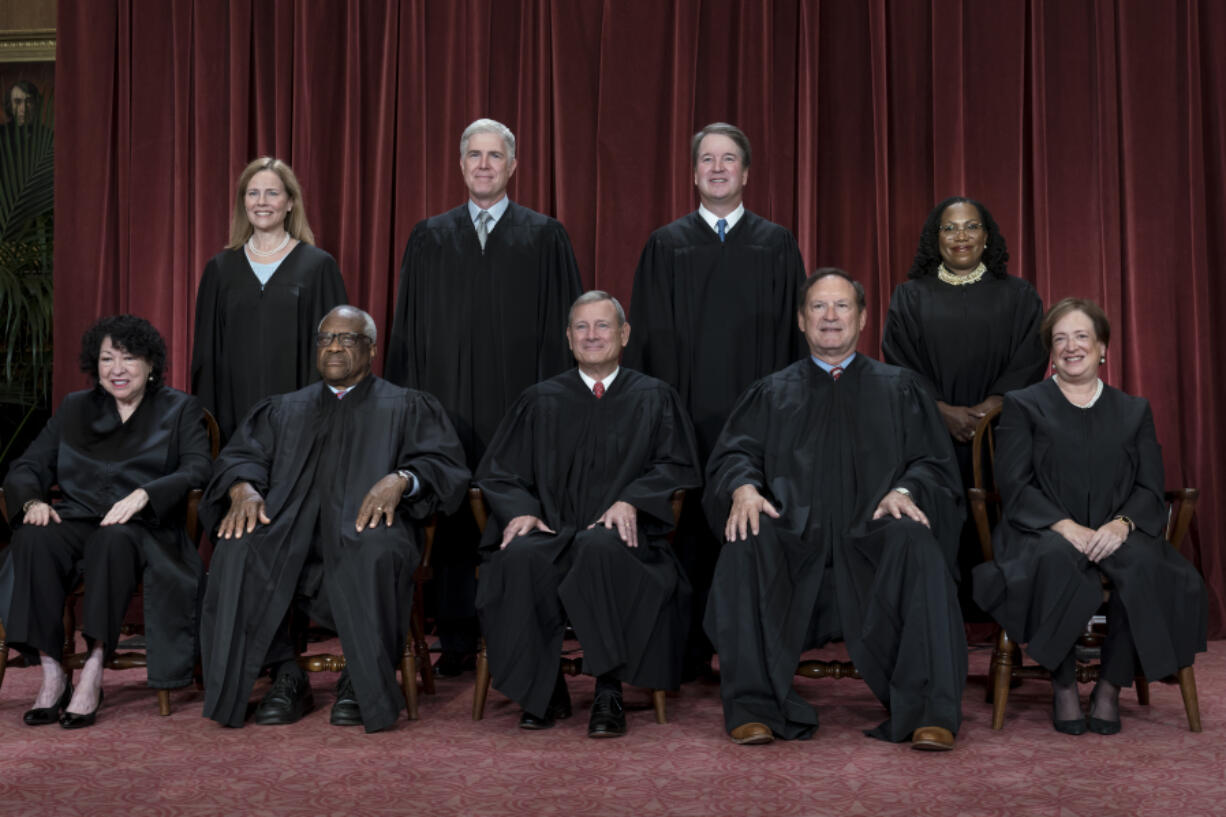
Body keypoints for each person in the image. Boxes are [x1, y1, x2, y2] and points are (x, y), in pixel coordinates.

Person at [704, 269, 966, 750]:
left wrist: (905, 492)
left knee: (916, 541)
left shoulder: (900, 388)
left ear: (862, 318)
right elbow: (735, 454)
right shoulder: (771, 392)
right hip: (793, 541)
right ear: (802, 321)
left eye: (842, 306)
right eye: (818, 307)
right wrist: (742, 488)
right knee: (747, 540)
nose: (830, 316)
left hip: (874, 539)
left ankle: (928, 712)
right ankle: (754, 707)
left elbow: (934, 464)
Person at [199, 306, 470, 733]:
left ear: (372, 349)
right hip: (289, 528)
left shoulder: (407, 406)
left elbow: (443, 465)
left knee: (374, 551)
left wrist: (402, 479)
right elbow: (240, 458)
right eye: (325, 339)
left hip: (367, 528)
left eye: (348, 338)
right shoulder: (283, 409)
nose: (334, 347)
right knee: (240, 549)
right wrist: (242, 487)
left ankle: (360, 682)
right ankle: (286, 674)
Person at [385, 118, 582, 676]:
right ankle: (456, 639)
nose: (484, 165)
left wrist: (556, 410)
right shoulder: (429, 236)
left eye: (495, 156)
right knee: (449, 517)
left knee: (519, 513)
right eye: (474, 155)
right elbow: (407, 332)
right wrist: (408, 411)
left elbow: (566, 333)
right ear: (461, 164)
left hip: (522, 408)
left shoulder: (545, 236)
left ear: (513, 166)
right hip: (446, 407)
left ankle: (523, 635)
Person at [622, 122, 807, 677]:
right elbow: (647, 343)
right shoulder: (666, 245)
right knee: (688, 536)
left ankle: (755, 654)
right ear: (694, 172)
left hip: (757, 425)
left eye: (729, 159)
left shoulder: (776, 245)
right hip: (686, 418)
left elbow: (794, 341)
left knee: (752, 530)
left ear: (746, 173)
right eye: (708, 159)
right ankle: (684, 653)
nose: (719, 168)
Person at [972, 298, 1207, 735]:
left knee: (1142, 566)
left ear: (1102, 348)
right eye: (1059, 339)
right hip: (1042, 528)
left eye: (1081, 336)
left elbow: (1149, 487)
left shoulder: (1133, 410)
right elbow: (1015, 484)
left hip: (1116, 528)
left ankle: (1110, 686)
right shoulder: (1024, 405)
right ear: (1051, 351)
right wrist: (1064, 526)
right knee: (1056, 560)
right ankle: (1063, 683)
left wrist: (1122, 525)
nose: (1070, 346)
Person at [474, 291, 701, 737]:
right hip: (553, 530)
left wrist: (632, 499)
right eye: (582, 327)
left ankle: (608, 689)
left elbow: (677, 465)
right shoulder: (540, 400)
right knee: (519, 557)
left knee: (600, 547)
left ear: (623, 334)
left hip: (625, 540)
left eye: (602, 326)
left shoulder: (654, 398)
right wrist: (521, 511)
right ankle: (543, 690)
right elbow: (499, 472)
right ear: (568, 337)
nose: (592, 335)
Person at [1, 315, 211, 728]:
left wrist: (147, 493)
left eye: (129, 358)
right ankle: (53, 672)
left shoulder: (180, 408)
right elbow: (28, 466)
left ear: (151, 365)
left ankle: (94, 669)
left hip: (144, 527)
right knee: (33, 538)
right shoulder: (75, 408)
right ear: (94, 365)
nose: (117, 369)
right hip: (78, 517)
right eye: (106, 359)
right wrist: (30, 503)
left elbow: (198, 469)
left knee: (112, 541)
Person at [882, 196, 1047, 603]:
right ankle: (938, 606)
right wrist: (942, 411)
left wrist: (993, 406)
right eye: (950, 228)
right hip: (930, 432)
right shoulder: (909, 297)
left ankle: (1000, 607)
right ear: (934, 238)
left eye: (971, 227)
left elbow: (1033, 353)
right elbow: (901, 362)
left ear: (987, 236)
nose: (961, 236)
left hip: (1001, 433)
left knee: (998, 513)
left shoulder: (1019, 295)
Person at [191, 156, 348, 441]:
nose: (261, 201)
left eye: (272, 193)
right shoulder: (220, 269)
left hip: (303, 425)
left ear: (290, 203)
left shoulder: (318, 267)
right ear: (243, 203)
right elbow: (206, 356)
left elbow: (336, 353)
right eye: (253, 193)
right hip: (233, 423)